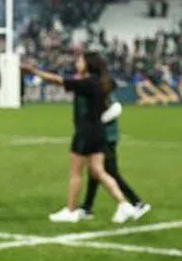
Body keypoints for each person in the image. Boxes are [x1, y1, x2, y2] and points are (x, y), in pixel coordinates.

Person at [22, 52, 138, 223]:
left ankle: (70, 211)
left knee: (76, 173)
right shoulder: (101, 82)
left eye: (81, 61)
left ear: (88, 64)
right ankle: (124, 205)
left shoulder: (88, 83)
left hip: (85, 132)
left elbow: (60, 81)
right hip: (99, 131)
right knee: (99, 171)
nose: (78, 63)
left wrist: (35, 72)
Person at [78, 101, 150, 221]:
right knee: (94, 171)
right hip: (101, 136)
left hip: (105, 137)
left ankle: (137, 203)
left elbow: (116, 107)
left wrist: (97, 121)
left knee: (109, 172)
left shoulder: (100, 91)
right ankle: (87, 208)